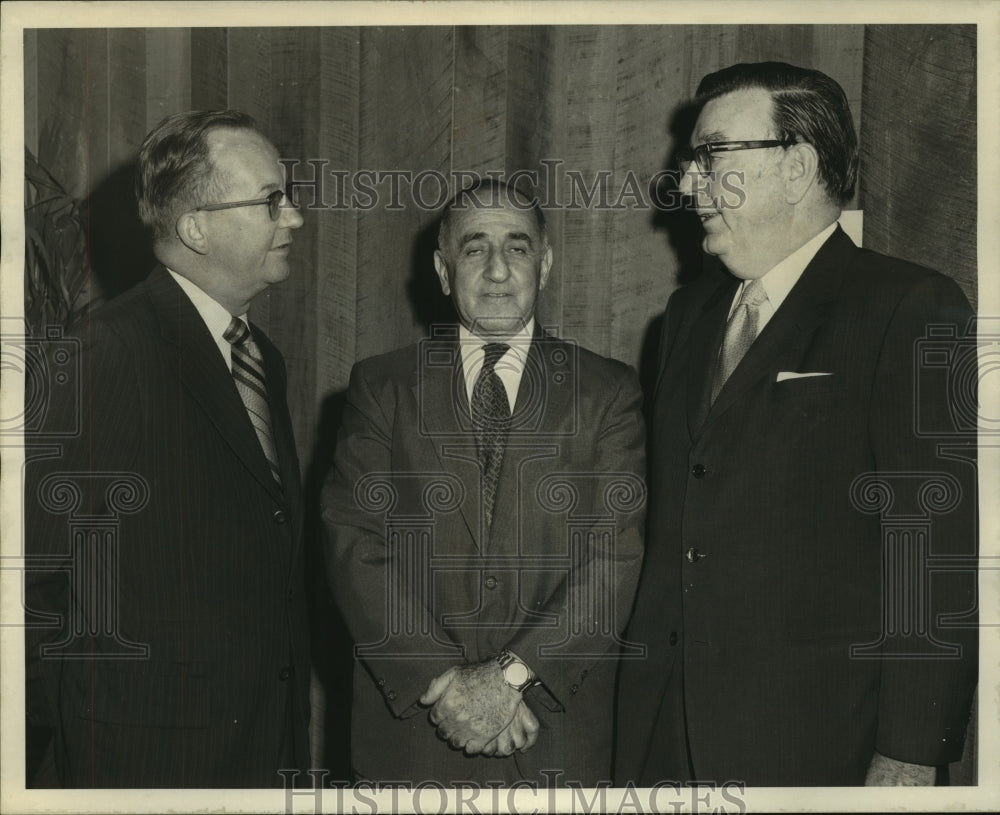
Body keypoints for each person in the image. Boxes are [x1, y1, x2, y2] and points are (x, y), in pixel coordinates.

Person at [616, 62, 978, 786]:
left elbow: (928, 553)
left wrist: (909, 752)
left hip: (817, 744)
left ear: (797, 166)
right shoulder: (683, 319)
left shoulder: (907, 307)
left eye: (712, 156)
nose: (688, 186)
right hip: (663, 741)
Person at [321, 180, 646, 786]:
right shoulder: (382, 386)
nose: (497, 271)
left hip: (555, 737)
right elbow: (353, 541)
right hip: (415, 738)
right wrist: (441, 683)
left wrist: (512, 676)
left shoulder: (607, 393)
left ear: (544, 265)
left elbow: (615, 555)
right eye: (474, 249)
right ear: (443, 271)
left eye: (517, 248)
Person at [24, 110, 311, 787]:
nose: (294, 217)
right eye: (271, 200)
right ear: (195, 227)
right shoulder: (105, 352)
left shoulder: (261, 357)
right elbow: (30, 577)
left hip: (263, 746)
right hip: (146, 760)